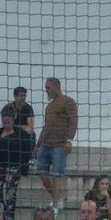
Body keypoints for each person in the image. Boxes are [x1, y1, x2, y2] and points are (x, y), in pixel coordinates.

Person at [37, 77, 79, 212]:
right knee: (42, 173)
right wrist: (38, 144)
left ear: (56, 87)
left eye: (48, 88)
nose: (46, 90)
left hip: (59, 144)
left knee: (57, 174)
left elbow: (73, 121)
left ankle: (55, 205)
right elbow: (46, 126)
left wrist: (69, 140)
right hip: (46, 143)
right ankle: (57, 198)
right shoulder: (49, 106)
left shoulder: (68, 102)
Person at [0, 110, 35, 220]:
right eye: (4, 118)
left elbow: (26, 152)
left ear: (14, 119)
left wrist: (24, 168)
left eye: (9, 118)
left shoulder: (21, 134)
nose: (6, 121)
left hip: (14, 167)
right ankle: (0, 214)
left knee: (10, 193)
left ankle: (9, 218)